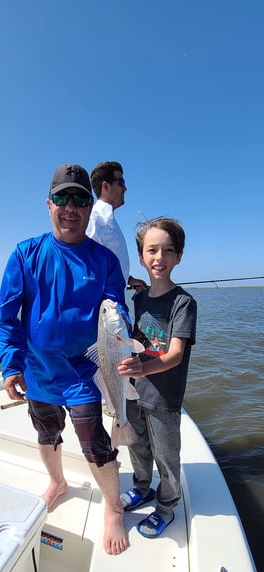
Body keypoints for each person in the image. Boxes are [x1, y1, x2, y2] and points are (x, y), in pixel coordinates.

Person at [0, 163, 128, 556]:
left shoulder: (104, 261)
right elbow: (6, 316)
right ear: (48, 205)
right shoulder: (25, 254)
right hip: (38, 372)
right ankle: (58, 482)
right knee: (46, 433)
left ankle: (114, 506)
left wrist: (119, 317)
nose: (71, 207)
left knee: (94, 444)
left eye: (80, 199)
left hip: (87, 371)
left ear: (90, 207)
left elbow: (118, 311)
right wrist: (11, 364)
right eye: (62, 198)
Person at [117, 217, 197, 537]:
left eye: (167, 251)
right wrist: (133, 280)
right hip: (134, 390)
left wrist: (144, 367)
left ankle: (166, 506)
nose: (159, 258)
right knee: (136, 445)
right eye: (152, 250)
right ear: (141, 257)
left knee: (166, 455)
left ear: (178, 257)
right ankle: (141, 486)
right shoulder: (136, 297)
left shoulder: (183, 303)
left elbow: (175, 354)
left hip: (163, 396)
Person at [86, 161, 147, 292]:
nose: (125, 188)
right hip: (101, 305)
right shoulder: (94, 220)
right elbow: (85, 269)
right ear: (106, 187)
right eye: (121, 183)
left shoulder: (108, 220)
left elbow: (106, 263)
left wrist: (129, 279)